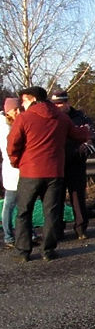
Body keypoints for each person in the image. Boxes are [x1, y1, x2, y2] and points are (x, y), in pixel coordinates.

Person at [7, 86, 90, 262]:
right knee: (51, 211)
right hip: (55, 172)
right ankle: (48, 250)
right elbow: (79, 134)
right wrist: (88, 130)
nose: (22, 104)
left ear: (32, 99)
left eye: (24, 100)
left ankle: (23, 251)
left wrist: (16, 162)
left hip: (30, 172)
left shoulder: (24, 118)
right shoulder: (62, 118)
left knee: (24, 211)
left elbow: (13, 144)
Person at [50, 89, 95, 240]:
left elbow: (93, 138)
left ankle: (81, 229)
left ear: (68, 102)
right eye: (55, 104)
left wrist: (82, 151)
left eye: (61, 103)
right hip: (56, 165)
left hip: (76, 164)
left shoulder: (81, 118)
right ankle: (57, 231)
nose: (59, 106)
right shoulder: (49, 118)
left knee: (78, 198)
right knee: (55, 199)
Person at [1, 98, 21, 248]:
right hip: (13, 170)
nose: (18, 112)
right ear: (8, 111)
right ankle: (8, 236)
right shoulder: (5, 128)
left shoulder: (11, 125)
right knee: (10, 204)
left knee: (24, 205)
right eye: (15, 110)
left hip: (18, 170)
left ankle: (27, 233)